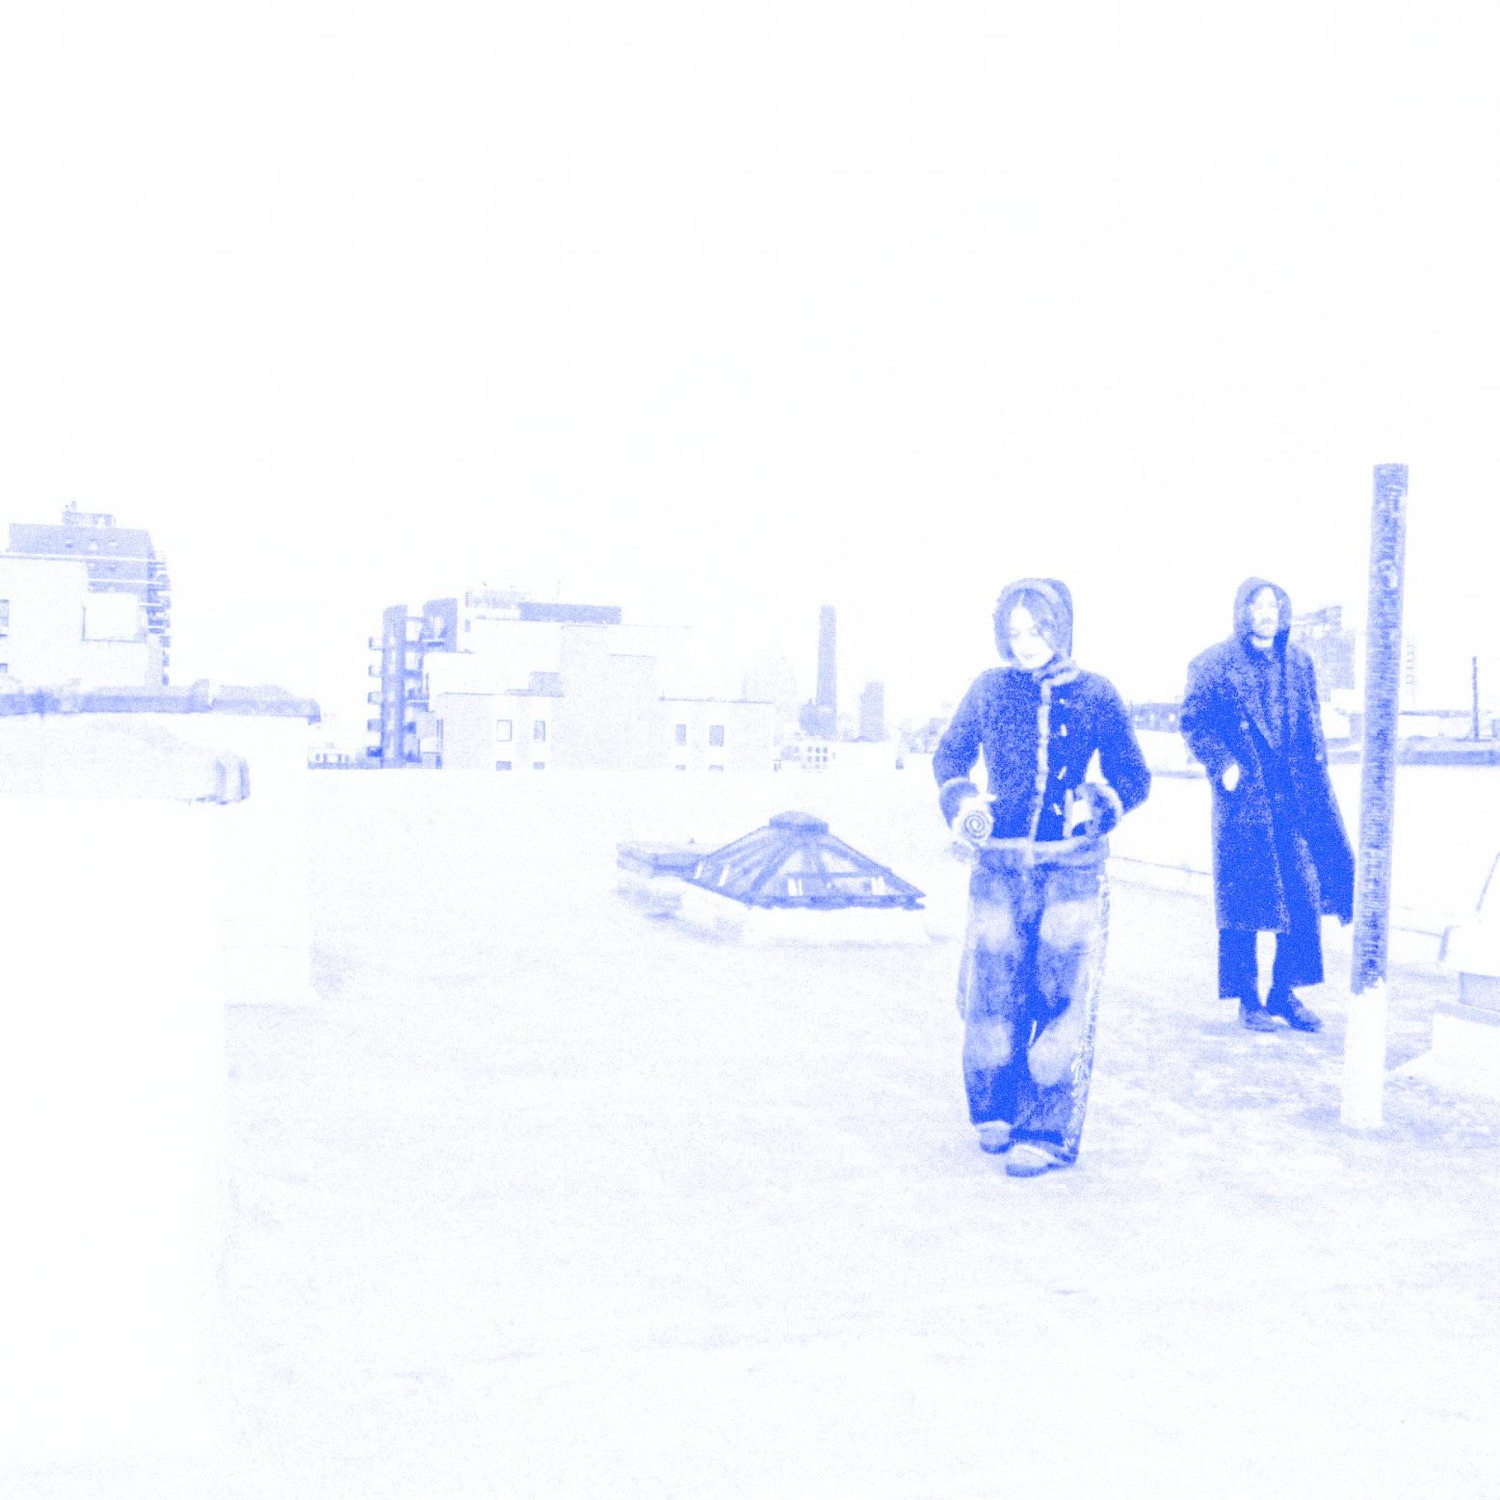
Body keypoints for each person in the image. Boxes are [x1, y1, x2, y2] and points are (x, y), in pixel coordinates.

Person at [933, 578, 1151, 1177]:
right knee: (992, 991)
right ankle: (996, 1107)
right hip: (999, 865)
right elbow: (950, 756)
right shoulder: (988, 688)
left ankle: (1048, 1129)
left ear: (1062, 629)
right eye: (1015, 632)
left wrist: (1097, 804)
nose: (1025, 643)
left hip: (1072, 869)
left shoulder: (1097, 694)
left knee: (1062, 999)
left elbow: (1133, 775)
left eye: (1037, 631)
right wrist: (964, 803)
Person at [1179, 578, 1354, 1033]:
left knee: (1303, 893)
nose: (1266, 612)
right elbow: (1193, 723)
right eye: (1256, 605)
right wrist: (1223, 764)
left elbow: (1310, 725)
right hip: (1245, 803)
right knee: (1246, 904)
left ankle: (1284, 992)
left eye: (1273, 604)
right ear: (1242, 612)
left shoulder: (1298, 662)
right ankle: (1248, 999)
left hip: (1294, 800)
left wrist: (1318, 779)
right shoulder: (1213, 664)